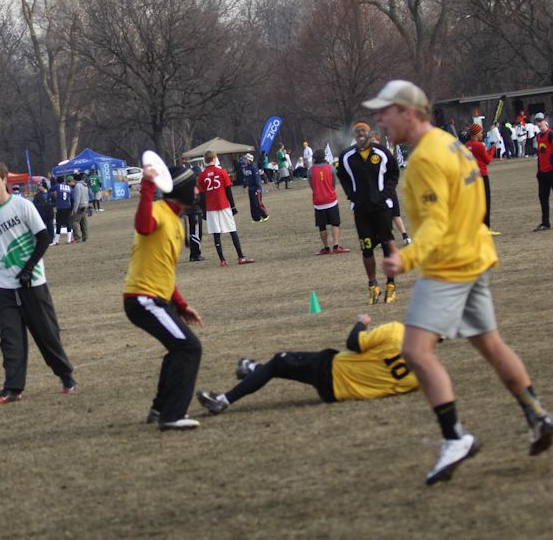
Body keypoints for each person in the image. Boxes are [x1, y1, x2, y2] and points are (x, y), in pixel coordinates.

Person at [367, 80, 553, 485]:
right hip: (475, 255)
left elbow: (436, 225)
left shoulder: (425, 158)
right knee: (491, 344)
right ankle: (537, 414)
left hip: (449, 266)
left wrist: (405, 258)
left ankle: (455, 438)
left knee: (415, 352)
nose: (379, 119)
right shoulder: (450, 144)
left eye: (386, 111)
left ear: (409, 113)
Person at [0, 162, 77, 404]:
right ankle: (12, 388)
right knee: (9, 338)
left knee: (46, 333)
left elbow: (43, 238)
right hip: (4, 285)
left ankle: (66, 376)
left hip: (32, 282)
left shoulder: (23, 205)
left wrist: (29, 268)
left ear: (4, 180)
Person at [196, 315, 418, 414]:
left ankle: (223, 400)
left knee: (278, 361)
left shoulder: (396, 332)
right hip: (337, 394)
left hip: (332, 368)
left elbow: (354, 343)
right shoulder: (417, 378)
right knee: (284, 366)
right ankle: (252, 369)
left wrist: (361, 323)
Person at [123, 162, 205, 430]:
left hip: (158, 299)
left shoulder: (177, 223)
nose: (197, 191)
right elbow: (143, 226)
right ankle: (173, 415)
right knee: (189, 348)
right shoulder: (157, 210)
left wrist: (181, 305)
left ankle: (160, 409)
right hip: (143, 299)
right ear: (181, 189)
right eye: (193, 186)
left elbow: (165, 270)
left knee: (179, 348)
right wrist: (147, 185)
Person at [336, 122, 398, 305]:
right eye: (357, 132)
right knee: (367, 248)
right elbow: (342, 176)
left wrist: (386, 194)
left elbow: (394, 173)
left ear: (370, 133)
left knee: (387, 246)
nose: (361, 133)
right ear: (354, 135)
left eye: (364, 130)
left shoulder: (382, 153)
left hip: (382, 208)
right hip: (361, 210)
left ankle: (391, 284)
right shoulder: (347, 156)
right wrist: (352, 195)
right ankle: (372, 285)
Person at [197, 151, 254, 267]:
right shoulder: (222, 172)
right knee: (232, 230)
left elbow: (201, 197)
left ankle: (222, 260)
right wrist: (233, 206)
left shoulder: (202, 176)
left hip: (211, 209)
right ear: (214, 158)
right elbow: (228, 190)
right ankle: (241, 257)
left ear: (204, 160)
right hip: (223, 206)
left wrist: (204, 211)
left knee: (216, 234)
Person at [308, 149, 348, 255]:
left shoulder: (310, 171)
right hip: (331, 200)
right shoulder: (330, 168)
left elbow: (312, 185)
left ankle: (326, 248)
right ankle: (336, 246)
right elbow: (333, 183)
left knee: (322, 226)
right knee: (335, 223)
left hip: (318, 202)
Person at [532, 113, 553, 232]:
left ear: (545, 120)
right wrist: (538, 170)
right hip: (542, 172)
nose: (539, 124)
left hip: (552, 171)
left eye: (540, 121)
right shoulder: (538, 136)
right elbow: (540, 154)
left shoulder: (551, 134)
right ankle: (545, 222)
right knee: (543, 198)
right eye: (537, 121)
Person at [464, 123, 498, 234]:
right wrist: (492, 149)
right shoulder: (479, 146)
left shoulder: (466, 146)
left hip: (471, 176)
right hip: (482, 175)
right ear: (477, 133)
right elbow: (487, 160)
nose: (482, 134)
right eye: (481, 132)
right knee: (486, 202)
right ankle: (486, 228)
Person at [242, 153, 269, 223]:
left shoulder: (254, 167)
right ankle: (256, 218)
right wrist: (245, 185)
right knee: (252, 204)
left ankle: (265, 215)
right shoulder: (246, 168)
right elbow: (246, 177)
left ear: (249, 159)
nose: (244, 160)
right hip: (250, 188)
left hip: (256, 188)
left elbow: (257, 178)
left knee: (258, 203)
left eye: (246, 159)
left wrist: (258, 187)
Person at [51, 176, 74, 245]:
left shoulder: (58, 186)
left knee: (58, 223)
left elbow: (51, 189)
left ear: (57, 181)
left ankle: (56, 240)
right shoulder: (69, 187)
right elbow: (72, 197)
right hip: (68, 206)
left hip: (60, 207)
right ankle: (69, 239)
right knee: (68, 222)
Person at [71, 173, 90, 242]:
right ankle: (85, 237)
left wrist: (74, 209)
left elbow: (77, 198)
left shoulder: (78, 186)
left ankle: (78, 238)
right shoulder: (85, 185)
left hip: (79, 206)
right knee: (84, 222)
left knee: (75, 222)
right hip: (85, 205)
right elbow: (87, 196)